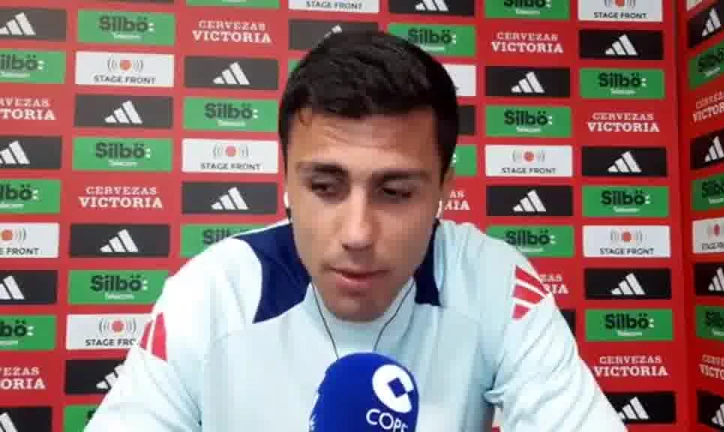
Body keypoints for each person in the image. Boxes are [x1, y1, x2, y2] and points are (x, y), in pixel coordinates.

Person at [84, 30, 627, 431]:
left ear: (444, 188)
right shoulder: (212, 292)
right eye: (325, 187)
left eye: (396, 192)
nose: (358, 233)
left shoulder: (493, 281)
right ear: (286, 179)